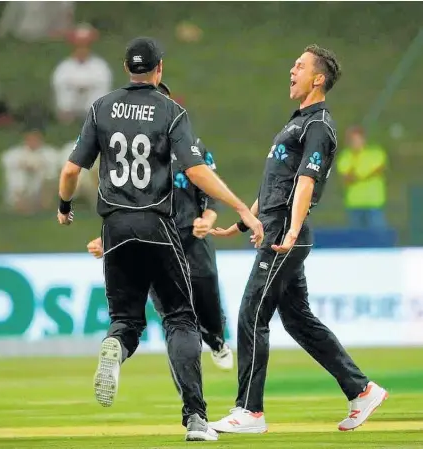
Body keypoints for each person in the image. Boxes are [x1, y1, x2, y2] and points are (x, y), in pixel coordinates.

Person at [57, 36, 263, 442]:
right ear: (160, 69)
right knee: (180, 318)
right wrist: (240, 206)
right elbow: (198, 172)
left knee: (126, 320)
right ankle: (196, 419)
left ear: (125, 67)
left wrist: (64, 207)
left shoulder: (101, 108)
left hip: (114, 229)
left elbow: (69, 171)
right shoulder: (171, 112)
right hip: (157, 226)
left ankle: (116, 344)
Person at [209, 44, 388, 434]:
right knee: (297, 320)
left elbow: (305, 182)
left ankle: (250, 412)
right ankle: (362, 389)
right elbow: (277, 183)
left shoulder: (318, 125)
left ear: (318, 78)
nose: (292, 69)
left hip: (285, 233)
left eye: (300, 65)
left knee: (251, 312)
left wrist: (290, 229)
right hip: (275, 228)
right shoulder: (298, 121)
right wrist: (242, 222)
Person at [87, 81, 233, 371]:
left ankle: (216, 339)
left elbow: (210, 198)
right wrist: (108, 240)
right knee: (174, 316)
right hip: (158, 243)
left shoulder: (194, 149)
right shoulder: (135, 153)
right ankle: (189, 390)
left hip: (192, 241)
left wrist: (207, 219)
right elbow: (126, 207)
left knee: (208, 307)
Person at [52, 23, 112, 124]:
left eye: (85, 44)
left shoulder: (100, 66)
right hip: (70, 107)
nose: (82, 48)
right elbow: (59, 84)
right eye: (79, 44)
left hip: (91, 105)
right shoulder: (64, 67)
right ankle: (67, 121)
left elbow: (103, 85)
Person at [337, 126, 388, 229]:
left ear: (364, 139)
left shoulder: (376, 153)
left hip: (374, 203)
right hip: (354, 204)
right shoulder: (345, 156)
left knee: (378, 235)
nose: (356, 142)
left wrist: (358, 176)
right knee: (357, 238)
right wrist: (364, 174)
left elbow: (378, 170)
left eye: (358, 139)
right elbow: (347, 178)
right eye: (353, 140)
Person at [1, 128, 58, 214]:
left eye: (36, 139)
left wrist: (38, 165)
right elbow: (7, 161)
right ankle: (23, 204)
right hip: (21, 189)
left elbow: (54, 166)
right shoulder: (14, 153)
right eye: (30, 139)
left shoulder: (49, 152)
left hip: (41, 189)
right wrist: (25, 165)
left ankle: (40, 205)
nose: (33, 142)